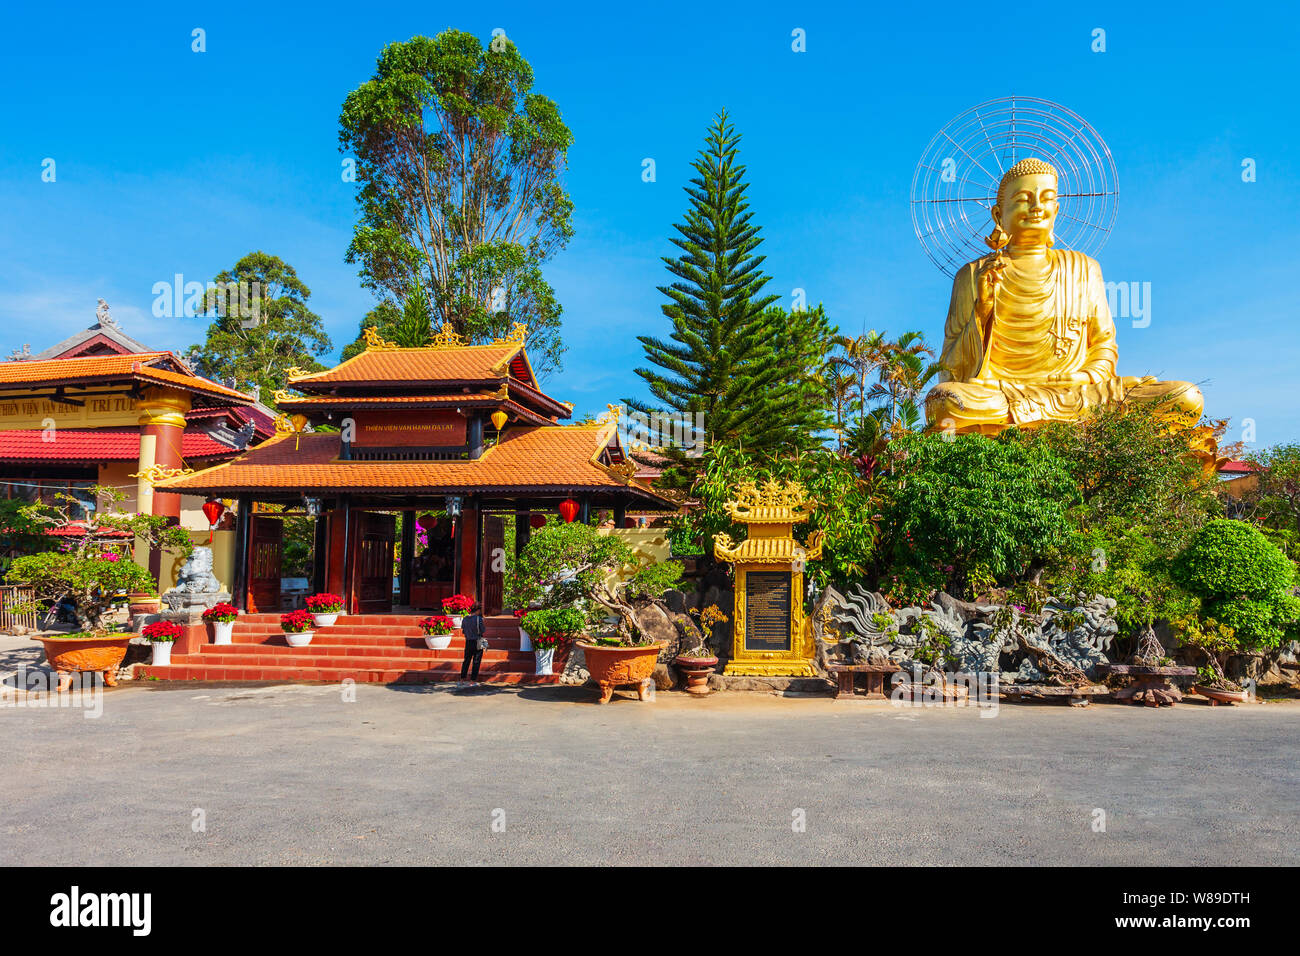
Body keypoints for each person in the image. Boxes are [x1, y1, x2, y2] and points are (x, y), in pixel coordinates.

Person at [459, 602, 487, 684]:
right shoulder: (479, 619)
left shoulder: (465, 619)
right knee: (476, 661)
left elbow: (463, 631)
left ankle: (462, 679)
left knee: (466, 660)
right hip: (478, 640)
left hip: (468, 641)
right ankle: (472, 681)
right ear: (478, 610)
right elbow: (483, 631)